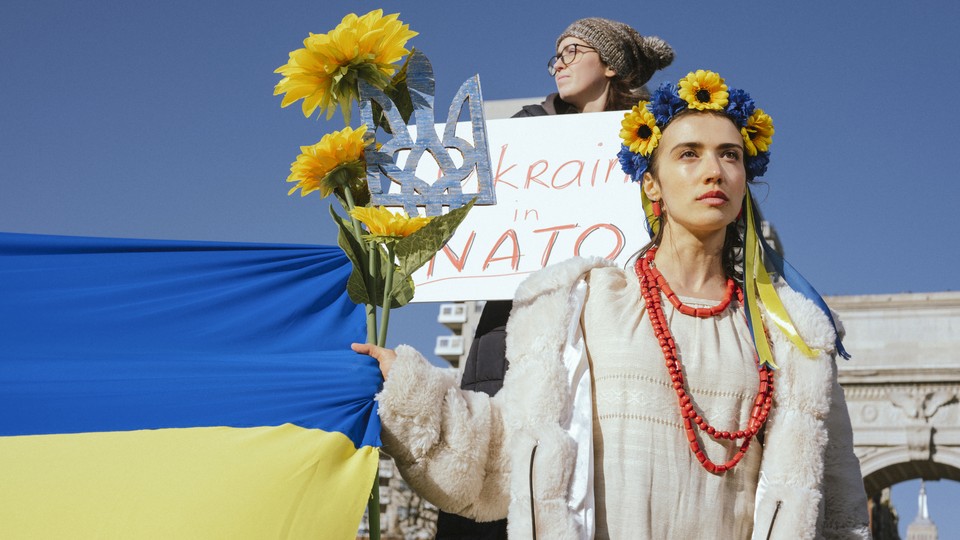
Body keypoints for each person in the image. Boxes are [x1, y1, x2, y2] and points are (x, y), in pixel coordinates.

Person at [355, 71, 871, 539]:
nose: (713, 169)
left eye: (730, 154)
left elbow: (837, 511)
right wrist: (411, 390)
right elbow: (505, 457)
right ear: (651, 183)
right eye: (688, 153)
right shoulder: (580, 303)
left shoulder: (793, 336)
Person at [430, 18, 675, 539]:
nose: (558, 63)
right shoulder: (523, 130)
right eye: (555, 56)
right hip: (514, 330)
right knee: (497, 468)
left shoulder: (654, 138)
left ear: (610, 65)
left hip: (612, 329)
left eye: (571, 51)